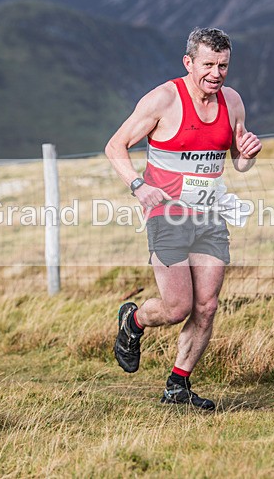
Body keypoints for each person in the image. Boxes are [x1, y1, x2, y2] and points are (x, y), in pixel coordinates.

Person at [104, 27, 262, 410]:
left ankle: (178, 385)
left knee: (206, 306)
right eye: (208, 64)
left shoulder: (233, 101)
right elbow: (115, 145)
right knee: (178, 308)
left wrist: (250, 152)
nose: (216, 73)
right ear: (188, 62)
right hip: (167, 215)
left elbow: (238, 163)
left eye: (223, 65)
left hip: (210, 215)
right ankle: (134, 322)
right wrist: (138, 186)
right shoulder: (163, 99)